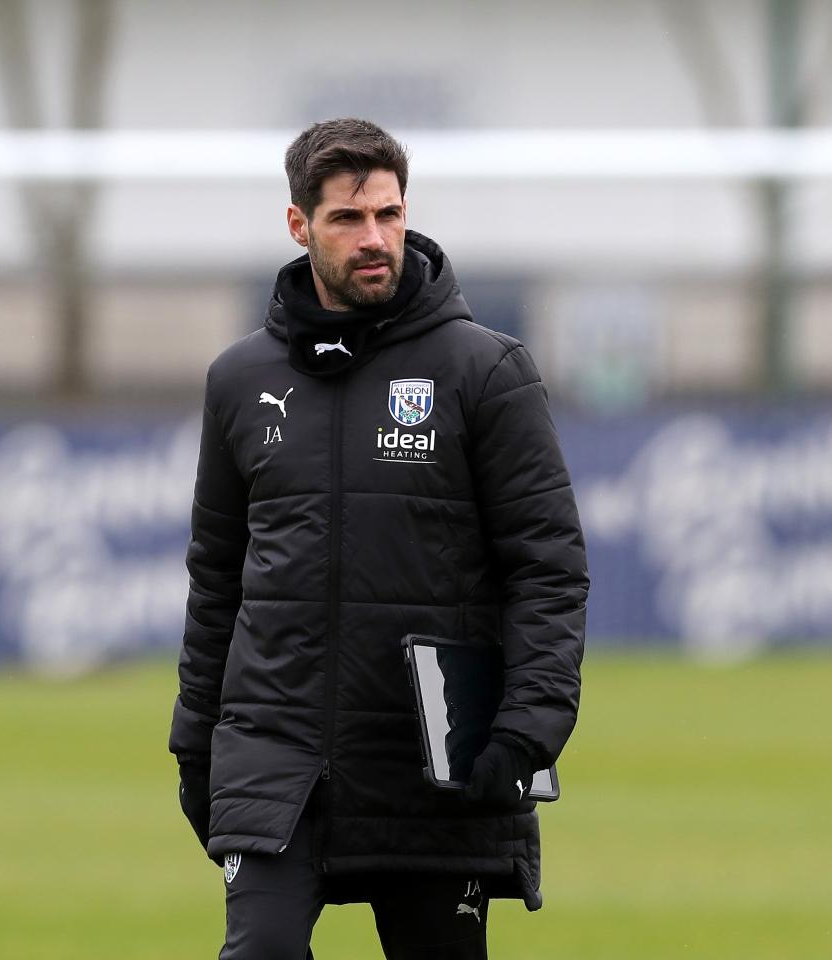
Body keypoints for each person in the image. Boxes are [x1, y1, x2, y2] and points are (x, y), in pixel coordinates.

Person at [169, 117, 588, 960]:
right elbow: (217, 579)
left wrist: (527, 727)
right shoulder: (240, 381)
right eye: (347, 219)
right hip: (279, 761)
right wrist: (195, 739)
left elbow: (547, 568)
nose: (375, 239)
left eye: (389, 216)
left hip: (433, 768)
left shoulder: (488, 372)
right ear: (299, 226)